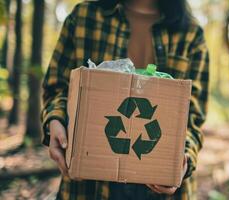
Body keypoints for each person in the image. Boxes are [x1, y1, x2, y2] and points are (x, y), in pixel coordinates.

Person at [41, 0, 209, 199]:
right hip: (90, 182)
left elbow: (193, 118)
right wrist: (55, 120)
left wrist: (183, 161)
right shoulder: (84, 17)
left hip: (159, 185)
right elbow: (57, 87)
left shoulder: (190, 33)